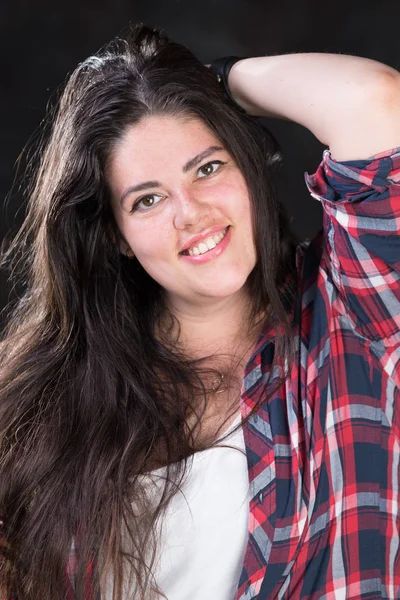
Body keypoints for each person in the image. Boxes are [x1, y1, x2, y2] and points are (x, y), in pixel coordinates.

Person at [0, 22, 399, 600]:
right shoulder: (49, 405)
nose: (191, 213)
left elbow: (372, 99)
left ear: (246, 164)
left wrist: (214, 83)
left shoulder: (346, 307)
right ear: (117, 234)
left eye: (207, 168)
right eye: (149, 199)